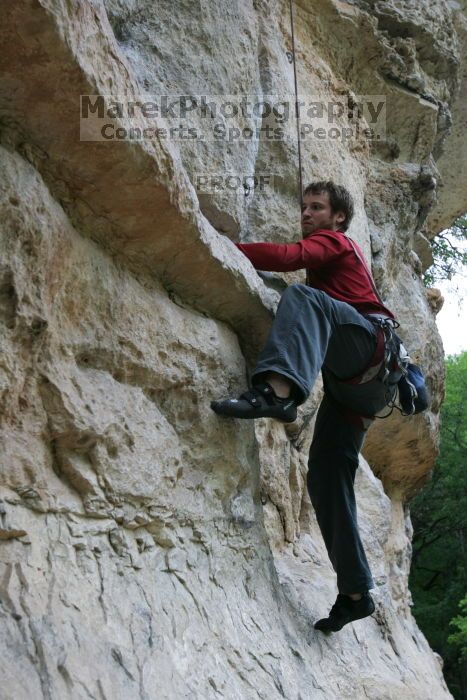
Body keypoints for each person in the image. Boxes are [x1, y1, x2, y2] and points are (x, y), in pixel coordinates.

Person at [211, 181, 398, 632]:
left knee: (304, 296)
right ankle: (355, 593)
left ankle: (276, 393)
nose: (307, 213)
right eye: (304, 207)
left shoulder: (336, 242)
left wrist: (226, 245)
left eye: (316, 207)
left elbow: (291, 259)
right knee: (325, 477)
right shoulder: (332, 253)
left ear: (338, 217)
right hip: (359, 387)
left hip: (369, 348)